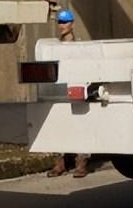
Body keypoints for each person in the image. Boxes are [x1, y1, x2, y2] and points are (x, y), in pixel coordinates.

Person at [47, 9, 91, 179]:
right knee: (58, 125)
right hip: (60, 90)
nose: (62, 25)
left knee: (80, 124)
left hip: (76, 87)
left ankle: (81, 163)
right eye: (59, 22)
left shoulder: (79, 46)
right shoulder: (55, 46)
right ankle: (60, 163)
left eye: (65, 22)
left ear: (72, 24)